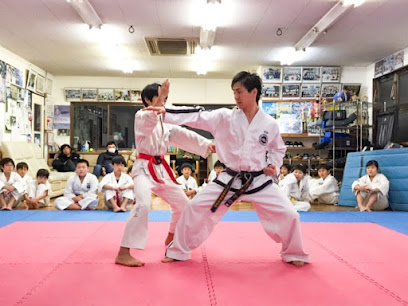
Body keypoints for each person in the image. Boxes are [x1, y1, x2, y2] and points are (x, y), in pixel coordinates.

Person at [146, 71, 309, 266]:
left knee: (290, 215)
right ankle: (178, 250)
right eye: (234, 92)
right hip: (229, 179)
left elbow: (278, 148)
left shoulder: (269, 123)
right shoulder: (224, 117)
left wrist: (274, 165)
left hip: (258, 180)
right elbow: (197, 115)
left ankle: (294, 253)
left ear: (254, 92)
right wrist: (165, 110)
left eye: (239, 91)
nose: (236, 97)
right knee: (194, 209)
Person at [115, 80, 214, 267]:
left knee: (183, 204)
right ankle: (123, 252)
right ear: (147, 99)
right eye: (160, 98)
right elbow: (149, 121)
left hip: (161, 168)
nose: (164, 102)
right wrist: (160, 99)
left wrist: (207, 145)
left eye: (166, 99)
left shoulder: (166, 122)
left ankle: (171, 237)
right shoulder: (141, 115)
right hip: (144, 167)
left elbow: (184, 135)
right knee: (143, 204)